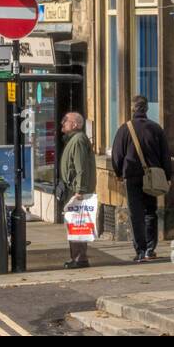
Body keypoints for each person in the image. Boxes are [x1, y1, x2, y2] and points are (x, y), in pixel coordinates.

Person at [110, 96, 172, 263]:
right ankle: (150, 249)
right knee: (150, 212)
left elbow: (116, 155)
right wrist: (167, 176)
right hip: (152, 176)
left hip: (131, 177)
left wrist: (118, 173)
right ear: (146, 109)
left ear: (132, 109)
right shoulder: (156, 129)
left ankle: (140, 250)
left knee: (135, 213)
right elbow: (165, 154)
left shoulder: (124, 129)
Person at [58, 111, 96, 269]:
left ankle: (80, 258)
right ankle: (77, 257)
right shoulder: (73, 140)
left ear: (75, 124)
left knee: (78, 224)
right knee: (74, 223)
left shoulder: (78, 140)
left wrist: (79, 191)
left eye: (65, 121)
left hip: (77, 191)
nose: (62, 124)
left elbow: (81, 167)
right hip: (72, 189)